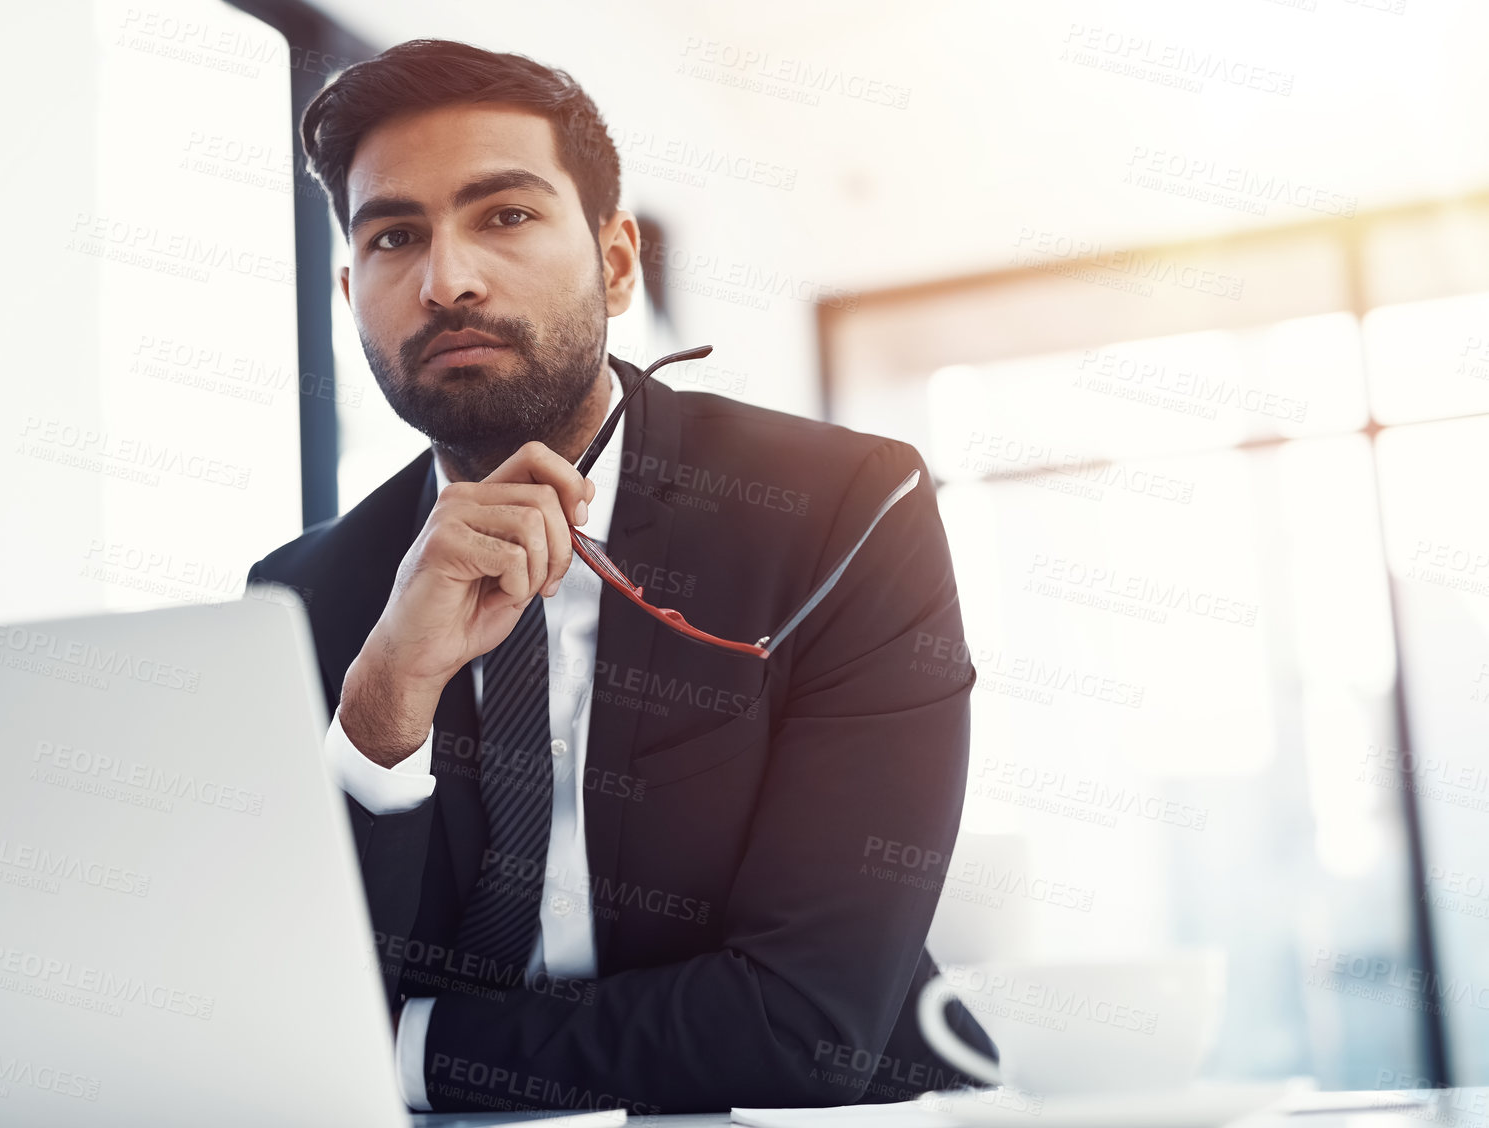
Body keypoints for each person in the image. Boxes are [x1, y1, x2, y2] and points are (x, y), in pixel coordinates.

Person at [248, 37, 994, 1116]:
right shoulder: (304, 596)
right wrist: (376, 721)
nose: (446, 277)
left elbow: (808, 1026)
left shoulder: (844, 511)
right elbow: (284, 1013)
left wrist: (411, 1055)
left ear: (614, 262)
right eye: (395, 235)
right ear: (349, 288)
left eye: (503, 215)